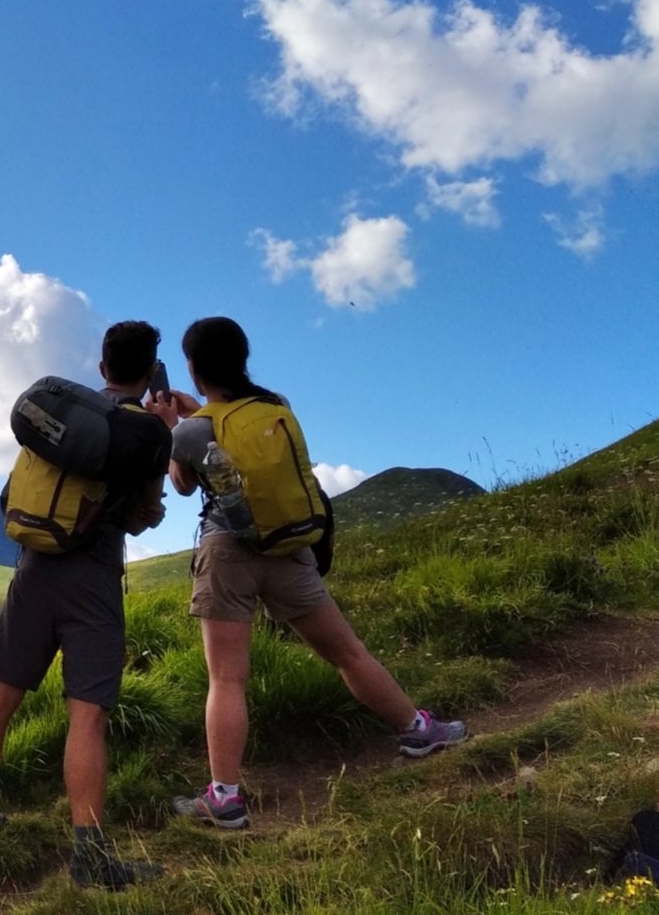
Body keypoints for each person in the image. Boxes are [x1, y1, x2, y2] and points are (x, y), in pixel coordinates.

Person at [146, 316, 466, 830]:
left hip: (227, 552)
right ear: (242, 358)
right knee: (347, 652)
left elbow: (183, 485)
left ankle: (224, 798)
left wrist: (172, 428)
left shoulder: (191, 431)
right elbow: (239, 432)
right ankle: (418, 729)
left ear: (192, 366)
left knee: (227, 677)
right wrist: (195, 411)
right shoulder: (277, 408)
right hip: (289, 548)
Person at [0, 321, 171, 888]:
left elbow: (13, 494)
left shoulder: (63, 421)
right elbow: (144, 517)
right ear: (150, 372)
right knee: (87, 716)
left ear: (101, 369)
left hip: (31, 571)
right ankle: (90, 860)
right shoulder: (143, 433)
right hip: (91, 578)